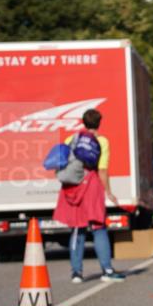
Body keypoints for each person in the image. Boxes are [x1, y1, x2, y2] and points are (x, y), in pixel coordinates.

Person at [53, 108, 125, 283]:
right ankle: (107, 270)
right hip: (91, 185)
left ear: (83, 122)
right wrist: (108, 190)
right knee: (98, 227)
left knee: (77, 228)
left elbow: (63, 163)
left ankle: (76, 273)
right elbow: (102, 170)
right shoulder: (101, 141)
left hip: (73, 186)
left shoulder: (71, 139)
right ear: (99, 123)